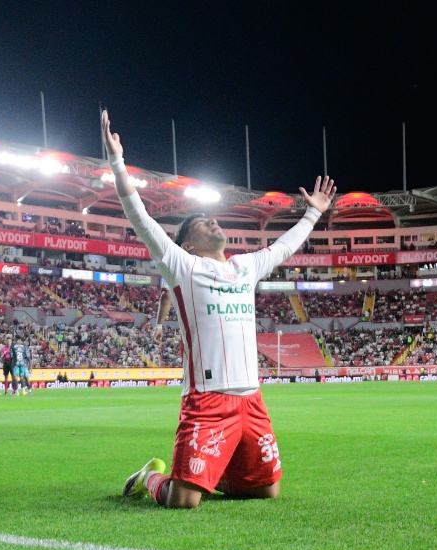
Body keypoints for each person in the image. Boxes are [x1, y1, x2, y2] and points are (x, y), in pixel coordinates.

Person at [103, 109, 336, 509]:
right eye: (202, 224)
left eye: (213, 220)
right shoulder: (182, 265)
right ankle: (151, 476)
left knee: (267, 491)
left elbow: (284, 247)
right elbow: (138, 215)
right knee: (183, 502)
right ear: (188, 244)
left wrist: (313, 211)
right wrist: (116, 161)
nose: (213, 223)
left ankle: (206, 475)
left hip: (251, 400)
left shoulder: (245, 267)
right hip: (207, 400)